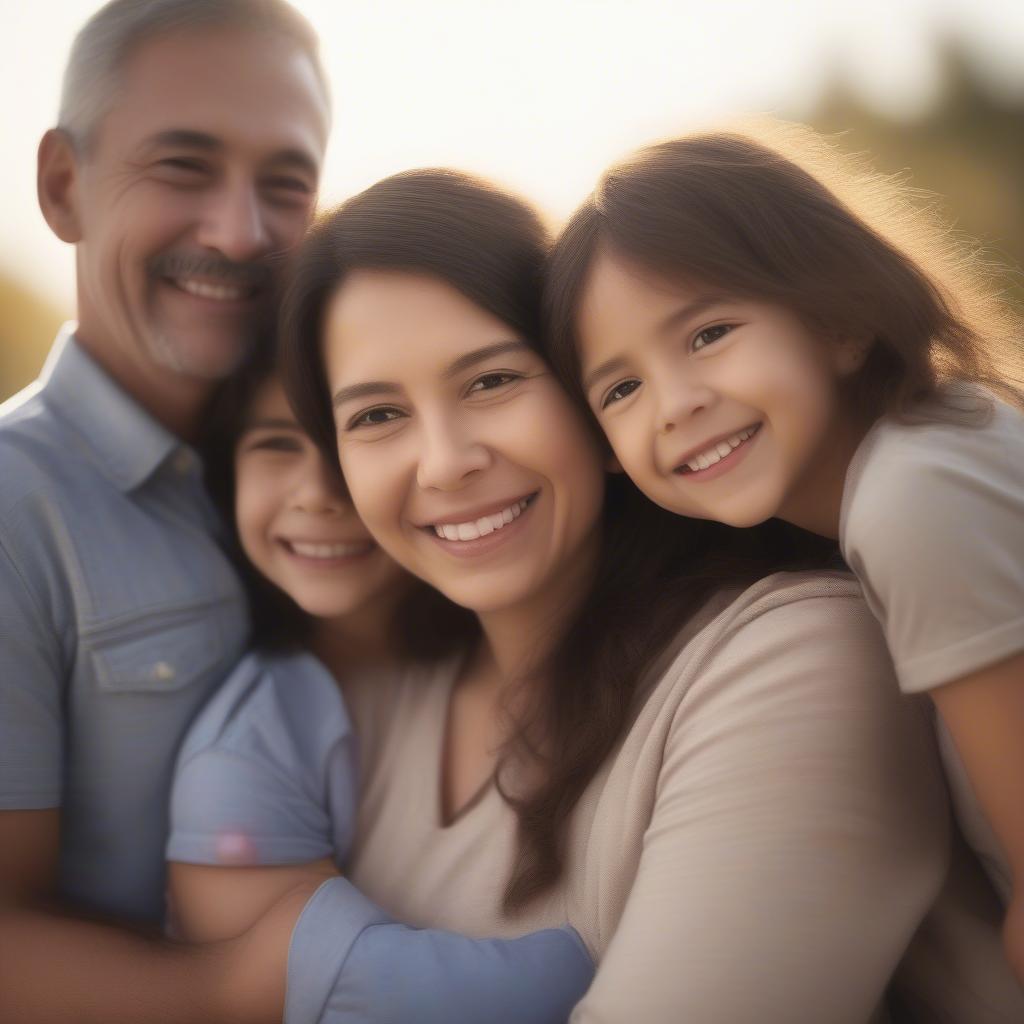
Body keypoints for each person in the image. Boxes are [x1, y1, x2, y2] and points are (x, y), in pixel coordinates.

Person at [185, 166, 981, 1023]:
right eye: (377, 416)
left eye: (491, 382)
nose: (445, 461)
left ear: (593, 399)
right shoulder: (371, 700)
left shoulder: (794, 661)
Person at [542, 123, 1024, 983]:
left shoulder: (914, 494)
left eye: (708, 334)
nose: (676, 404)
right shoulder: (941, 446)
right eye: (622, 387)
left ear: (838, 319)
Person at [0, 0, 332, 1019]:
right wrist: (246, 981)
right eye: (183, 167)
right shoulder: (16, 510)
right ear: (65, 187)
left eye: (286, 183)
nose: (240, 231)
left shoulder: (347, 473)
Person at [166, 344, 594, 1022]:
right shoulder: (248, 751)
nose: (318, 494)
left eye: (352, 445)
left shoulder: (473, 646)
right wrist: (607, 963)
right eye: (277, 446)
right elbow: (346, 994)